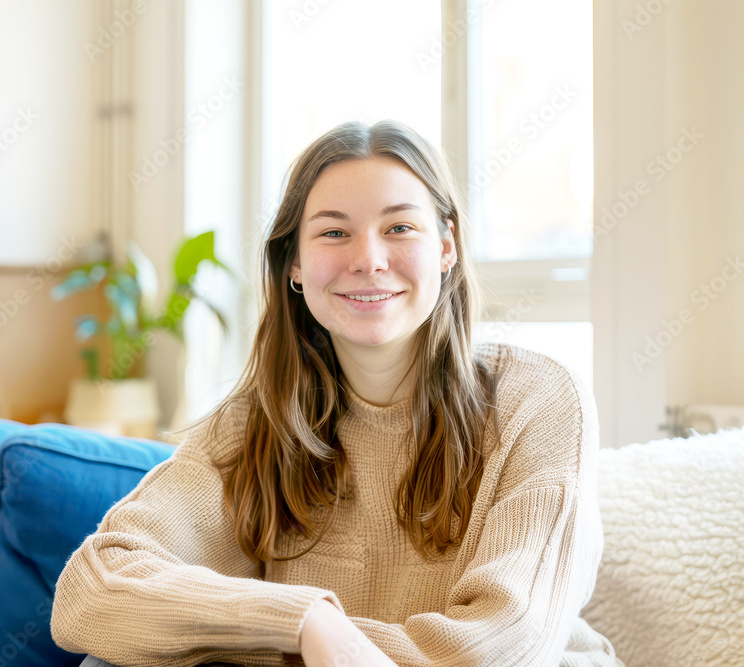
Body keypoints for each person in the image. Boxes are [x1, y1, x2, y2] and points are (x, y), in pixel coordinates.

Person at [50, 119, 622, 667]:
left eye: (399, 227)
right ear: (295, 263)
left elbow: (495, 651)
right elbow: (90, 593)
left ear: (446, 248)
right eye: (333, 232)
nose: (368, 260)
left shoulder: (538, 399)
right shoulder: (256, 422)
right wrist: (307, 624)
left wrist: (277, 646)